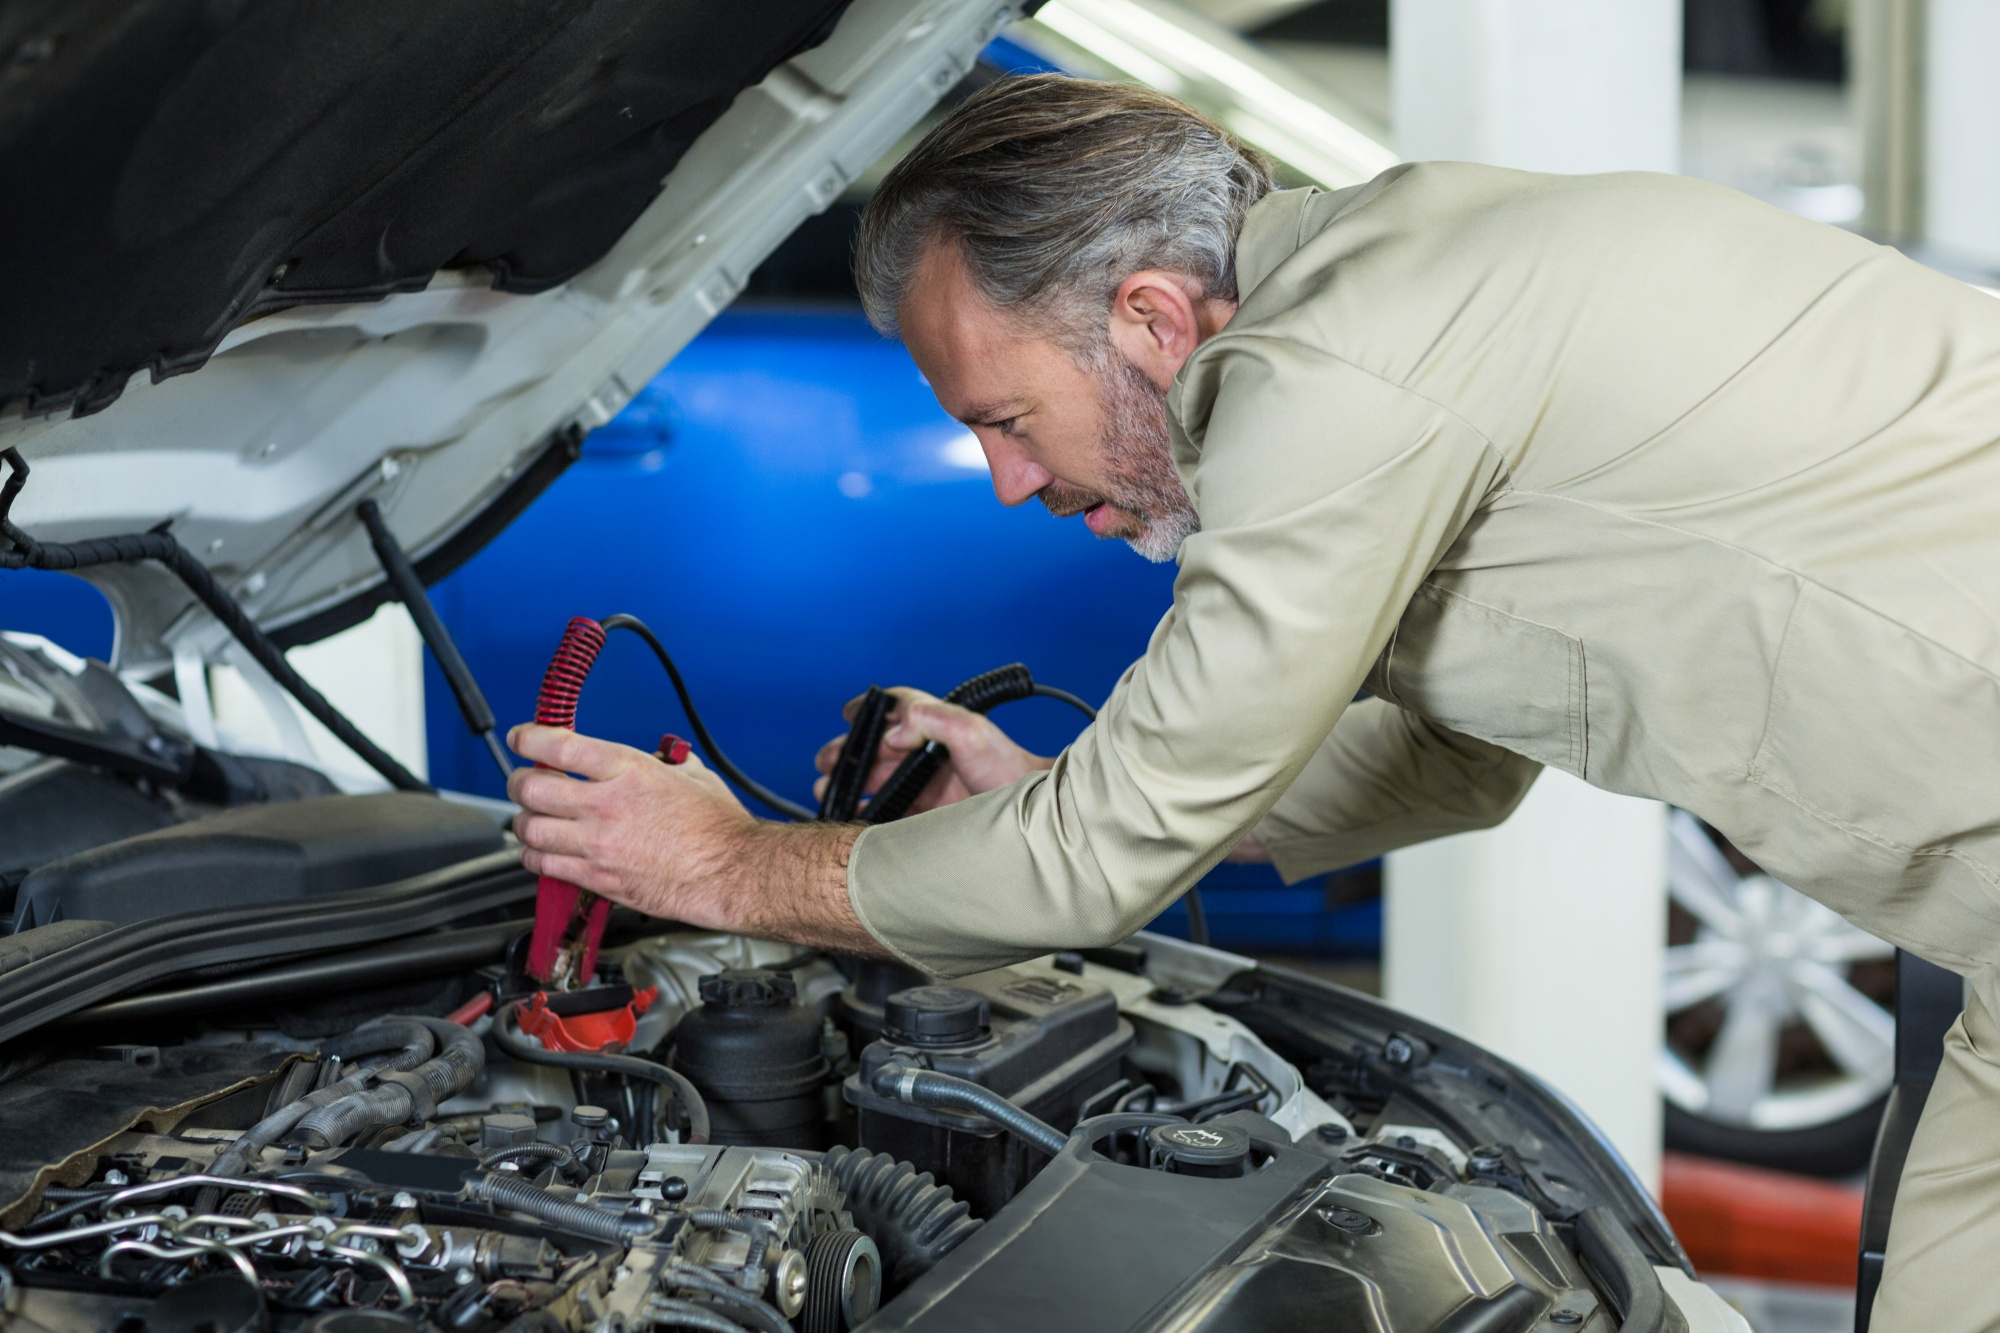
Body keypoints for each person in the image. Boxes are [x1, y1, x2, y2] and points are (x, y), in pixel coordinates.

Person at [506, 77, 2000, 1327]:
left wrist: (719, 865)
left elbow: (1113, 849)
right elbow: (1446, 754)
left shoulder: (1336, 363)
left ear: (1152, 318)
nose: (1017, 486)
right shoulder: (1404, 292)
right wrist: (1037, 784)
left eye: (1006, 420)